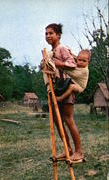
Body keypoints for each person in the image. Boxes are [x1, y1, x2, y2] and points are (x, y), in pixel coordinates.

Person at [45, 23, 84, 162]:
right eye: (46, 34)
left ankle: (79, 152)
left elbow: (73, 64)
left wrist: (56, 63)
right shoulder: (50, 53)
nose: (48, 36)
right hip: (57, 87)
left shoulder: (62, 48)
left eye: (51, 33)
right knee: (57, 120)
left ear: (58, 35)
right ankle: (67, 149)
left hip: (66, 85)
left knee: (68, 118)